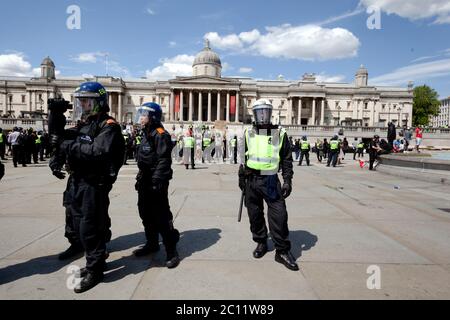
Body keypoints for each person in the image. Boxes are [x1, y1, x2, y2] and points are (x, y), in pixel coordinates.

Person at [54, 82, 125, 293]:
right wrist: (55, 121)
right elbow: (66, 137)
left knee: (90, 227)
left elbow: (97, 151)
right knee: (76, 222)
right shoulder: (84, 123)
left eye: (86, 100)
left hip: (94, 183)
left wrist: (69, 146)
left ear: (98, 102)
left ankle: (95, 269)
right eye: (81, 101)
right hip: (78, 180)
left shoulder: (108, 125)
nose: (83, 105)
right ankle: (92, 259)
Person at [238, 99, 299, 271]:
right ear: (255, 114)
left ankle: (282, 251)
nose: (263, 116)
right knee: (255, 214)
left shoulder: (280, 133)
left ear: (270, 114)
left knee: (279, 216)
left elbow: (287, 159)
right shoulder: (248, 133)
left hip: (271, 179)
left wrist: (287, 180)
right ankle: (261, 242)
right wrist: (241, 176)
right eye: (259, 112)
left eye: (266, 112)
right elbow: (243, 157)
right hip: (251, 179)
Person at [133, 102, 180, 269]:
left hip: (156, 181)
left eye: (144, 114)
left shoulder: (160, 134)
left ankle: (171, 250)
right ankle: (152, 243)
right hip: (145, 179)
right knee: (145, 212)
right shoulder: (146, 133)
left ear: (152, 117)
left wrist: (156, 181)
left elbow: (164, 160)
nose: (141, 117)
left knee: (161, 216)